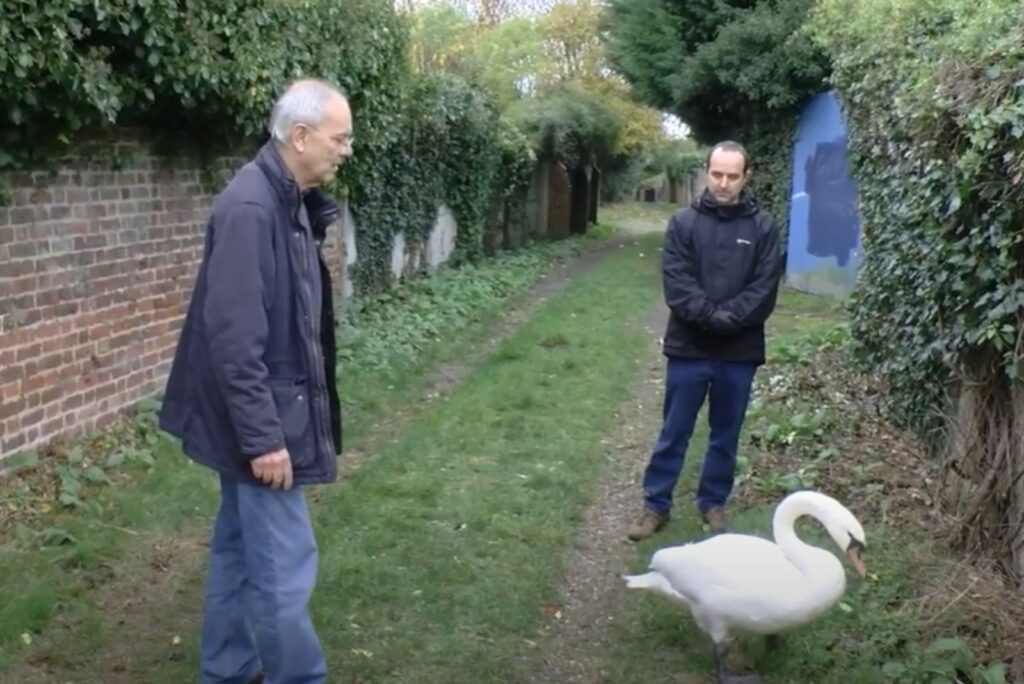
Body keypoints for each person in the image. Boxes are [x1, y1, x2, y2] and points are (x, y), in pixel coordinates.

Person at [158, 78, 354, 683]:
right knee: (283, 568)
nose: (346, 149)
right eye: (339, 137)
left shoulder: (288, 199)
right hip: (261, 424)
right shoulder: (251, 208)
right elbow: (234, 340)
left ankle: (226, 670)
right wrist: (265, 439)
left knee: (240, 556)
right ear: (300, 136)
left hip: (260, 414)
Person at [628, 141, 783, 542]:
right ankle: (655, 505)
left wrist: (728, 319)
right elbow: (677, 285)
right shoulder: (683, 223)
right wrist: (714, 317)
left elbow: (763, 289)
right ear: (706, 172)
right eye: (717, 174)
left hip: (739, 352)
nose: (723, 183)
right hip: (689, 348)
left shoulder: (763, 227)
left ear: (746, 177)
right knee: (674, 430)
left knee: (725, 434)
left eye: (732, 176)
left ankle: (713, 503)